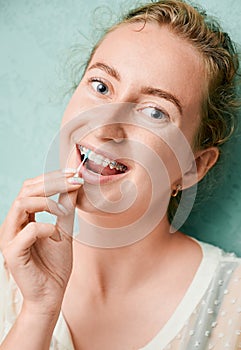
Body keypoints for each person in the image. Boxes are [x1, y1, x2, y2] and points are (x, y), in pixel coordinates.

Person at [0, 0, 240, 349]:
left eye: (156, 112)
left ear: (194, 166)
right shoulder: (10, 276)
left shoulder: (231, 306)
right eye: (101, 87)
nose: (106, 126)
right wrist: (39, 311)